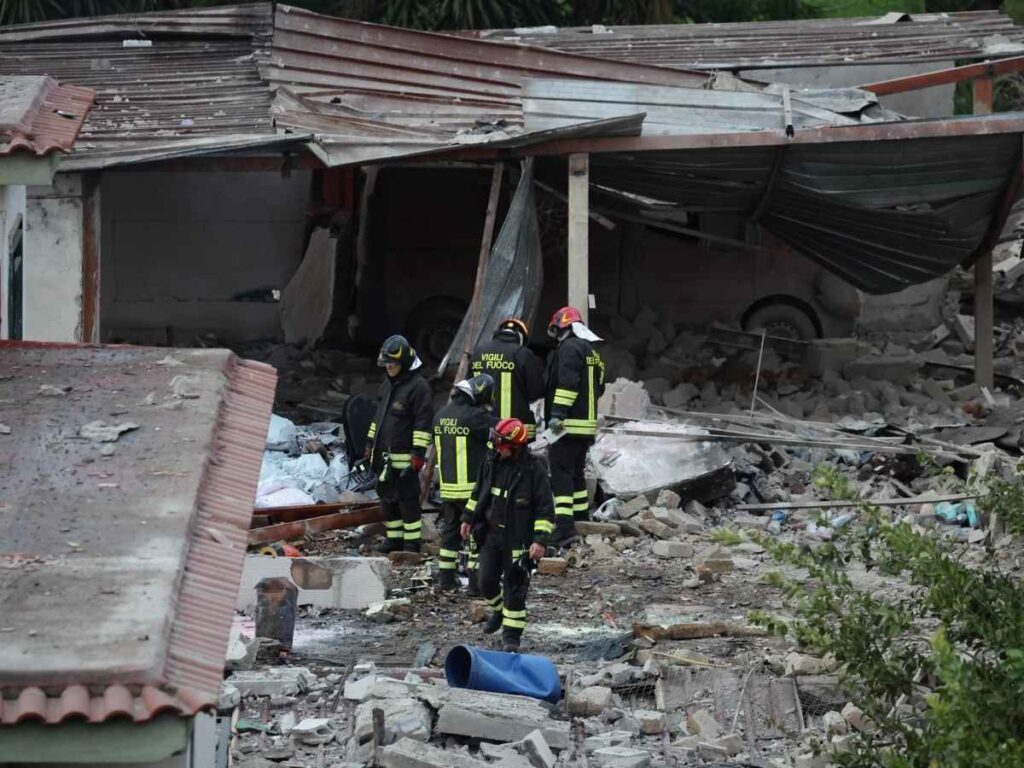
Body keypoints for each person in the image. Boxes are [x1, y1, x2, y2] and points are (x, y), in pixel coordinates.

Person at [460, 418, 554, 651]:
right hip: (491, 533)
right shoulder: (491, 461)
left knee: (515, 589)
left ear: (516, 446)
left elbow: (545, 509)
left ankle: (511, 638)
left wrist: (540, 541)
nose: (497, 448)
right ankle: (499, 611)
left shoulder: (534, 469)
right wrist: (468, 518)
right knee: (485, 581)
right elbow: (478, 493)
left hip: (519, 538)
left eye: (501, 445)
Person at [366, 335, 434, 553]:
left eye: (392, 364)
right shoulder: (388, 385)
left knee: (408, 502)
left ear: (404, 363)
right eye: (386, 364)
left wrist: (417, 456)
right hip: (384, 456)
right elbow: (378, 418)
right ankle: (393, 540)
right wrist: (370, 444)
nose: (388, 368)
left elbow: (423, 424)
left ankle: (412, 544)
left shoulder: (419, 387)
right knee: (388, 500)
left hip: (405, 459)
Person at [544, 306, 606, 545]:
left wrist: (557, 416)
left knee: (560, 473)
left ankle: (564, 528)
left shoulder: (569, 348)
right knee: (577, 473)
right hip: (585, 427)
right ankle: (581, 517)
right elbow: (600, 386)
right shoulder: (593, 352)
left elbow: (567, 384)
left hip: (566, 426)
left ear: (563, 327)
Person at [432, 373, 497, 591]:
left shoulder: (441, 415)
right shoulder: (476, 416)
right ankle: (476, 586)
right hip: (472, 490)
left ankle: (446, 580)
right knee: (477, 536)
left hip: (448, 490)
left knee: (450, 536)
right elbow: (497, 432)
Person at [470, 318, 546, 441]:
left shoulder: (478, 352)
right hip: (514, 429)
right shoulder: (523, 353)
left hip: (483, 426)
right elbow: (536, 391)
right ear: (521, 336)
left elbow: (468, 389)